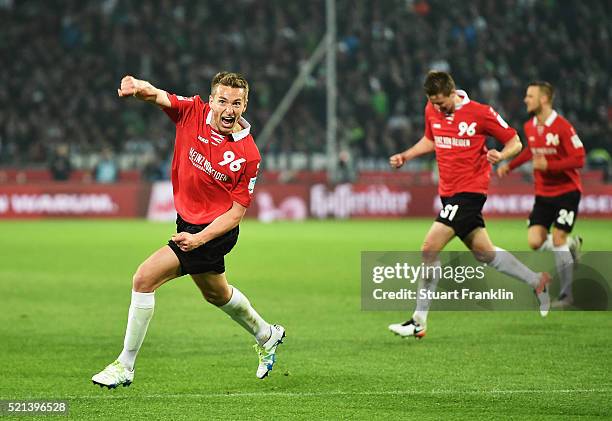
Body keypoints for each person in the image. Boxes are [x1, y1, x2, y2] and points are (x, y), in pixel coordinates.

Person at [92, 72, 285, 388]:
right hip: (188, 224)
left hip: (214, 231)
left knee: (143, 279)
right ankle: (268, 334)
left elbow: (236, 213)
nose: (228, 109)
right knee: (216, 294)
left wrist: (199, 239)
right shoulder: (192, 112)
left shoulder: (248, 155)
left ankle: (124, 366)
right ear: (211, 101)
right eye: (222, 100)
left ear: (245, 105)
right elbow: (158, 96)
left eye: (236, 103)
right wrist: (138, 87)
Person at [387, 71, 551, 339]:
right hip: (448, 194)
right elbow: (431, 139)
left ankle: (418, 320)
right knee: (484, 253)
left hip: (470, 192)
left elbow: (515, 141)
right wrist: (406, 155)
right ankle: (537, 281)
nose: (438, 108)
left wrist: (502, 154)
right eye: (434, 104)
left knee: (429, 248)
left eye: (442, 103)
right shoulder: (432, 109)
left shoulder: (481, 113)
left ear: (453, 92)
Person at [497, 81, 585, 308]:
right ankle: (570, 248)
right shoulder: (530, 126)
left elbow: (579, 158)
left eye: (530, 96)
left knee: (557, 239)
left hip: (567, 191)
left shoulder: (563, 127)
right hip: (543, 194)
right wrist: (511, 165)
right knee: (535, 241)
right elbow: (531, 151)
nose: (526, 99)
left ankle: (567, 296)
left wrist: (550, 166)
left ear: (544, 99)